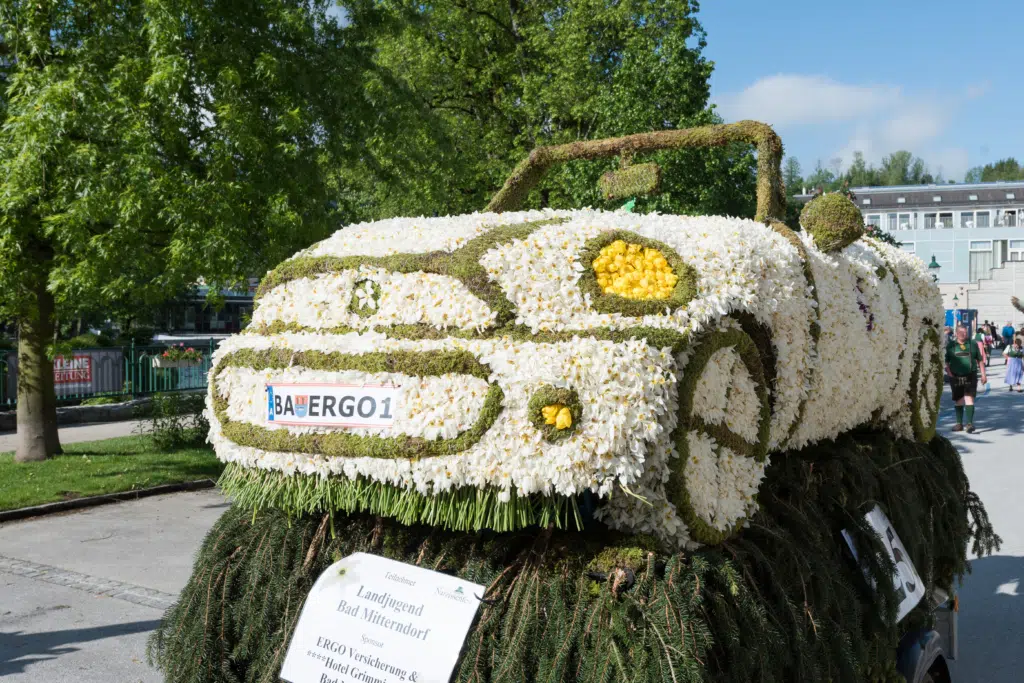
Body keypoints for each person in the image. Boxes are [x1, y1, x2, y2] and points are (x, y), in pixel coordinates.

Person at [946, 325, 987, 433]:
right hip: (955, 376)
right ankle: (959, 424)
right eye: (961, 332)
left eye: (965, 332)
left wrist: (983, 374)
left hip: (970, 375)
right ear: (956, 333)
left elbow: (980, 360)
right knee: (959, 399)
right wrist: (949, 373)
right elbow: (945, 360)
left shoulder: (973, 344)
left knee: (969, 398)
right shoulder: (951, 345)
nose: (964, 334)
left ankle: (969, 424)